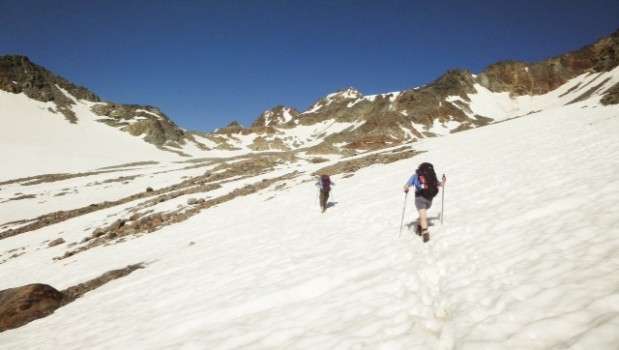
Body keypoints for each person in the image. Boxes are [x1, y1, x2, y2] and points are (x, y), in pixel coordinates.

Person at [403, 163, 446, 242]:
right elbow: (441, 184)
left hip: (419, 198)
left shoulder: (416, 175)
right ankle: (419, 228)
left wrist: (406, 189)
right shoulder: (431, 175)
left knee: (423, 217)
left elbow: (406, 185)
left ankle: (425, 232)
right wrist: (444, 180)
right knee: (423, 215)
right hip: (429, 199)